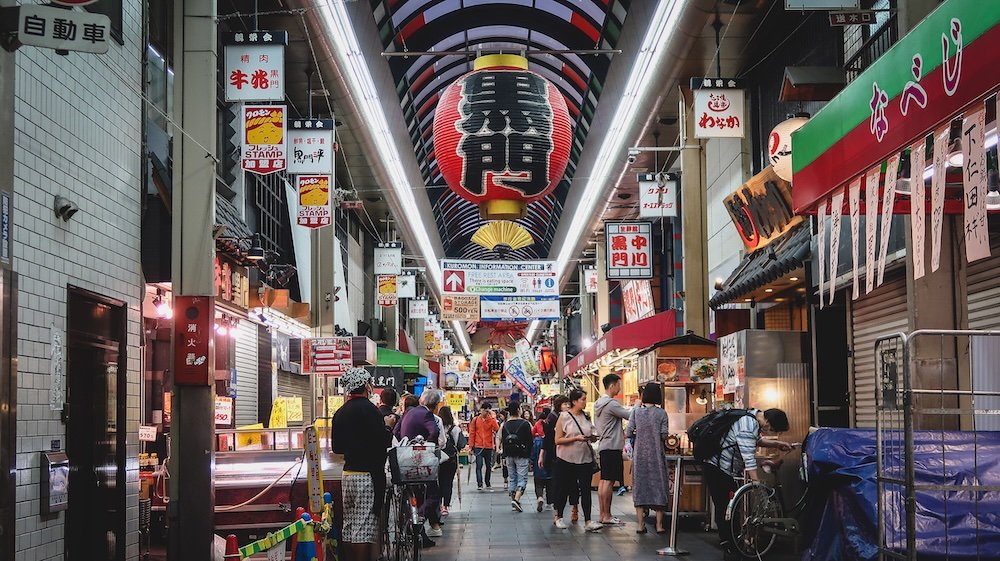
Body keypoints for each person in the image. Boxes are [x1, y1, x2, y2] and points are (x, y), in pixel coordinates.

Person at [703, 408, 792, 559]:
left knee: (726, 505)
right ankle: (730, 545)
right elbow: (748, 458)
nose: (769, 432)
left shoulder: (751, 417)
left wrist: (776, 444)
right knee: (725, 505)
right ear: (768, 422)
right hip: (718, 467)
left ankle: (732, 543)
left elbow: (754, 441)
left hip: (722, 467)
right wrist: (756, 483)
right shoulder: (748, 424)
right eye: (771, 429)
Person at [331, 368, 394, 561]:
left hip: (348, 475)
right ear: (366, 386)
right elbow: (383, 440)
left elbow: (337, 447)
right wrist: (388, 427)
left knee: (349, 525)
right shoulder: (370, 410)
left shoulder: (340, 412)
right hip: (367, 476)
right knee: (364, 527)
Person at [396, 389, 445, 541]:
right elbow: (435, 432)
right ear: (436, 405)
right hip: (418, 462)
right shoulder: (426, 414)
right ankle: (416, 518)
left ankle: (420, 533)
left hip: (403, 462)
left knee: (416, 494)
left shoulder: (408, 412)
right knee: (434, 494)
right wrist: (427, 448)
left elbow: (396, 432)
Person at [553, 389, 603, 532]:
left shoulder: (586, 416)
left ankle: (588, 520)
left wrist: (593, 437)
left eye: (585, 399)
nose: (585, 402)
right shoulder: (564, 417)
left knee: (586, 489)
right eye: (583, 399)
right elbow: (557, 440)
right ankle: (559, 517)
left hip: (584, 458)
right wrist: (575, 438)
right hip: (566, 459)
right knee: (563, 488)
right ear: (574, 401)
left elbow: (591, 432)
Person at [627, 383, 670, 534]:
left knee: (640, 487)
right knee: (659, 486)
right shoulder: (662, 414)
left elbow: (628, 432)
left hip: (640, 456)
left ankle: (640, 525)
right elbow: (664, 435)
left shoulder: (636, 412)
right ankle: (659, 526)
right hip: (657, 455)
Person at [594, 373, 631, 526]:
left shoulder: (598, 403)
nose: (619, 387)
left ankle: (603, 514)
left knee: (603, 481)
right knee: (608, 482)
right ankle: (607, 515)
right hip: (612, 446)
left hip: (604, 446)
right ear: (612, 385)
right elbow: (630, 415)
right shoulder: (611, 404)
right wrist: (638, 406)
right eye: (618, 384)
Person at [541, 395, 578, 521]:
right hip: (556, 456)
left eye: (568, 404)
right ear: (558, 405)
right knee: (559, 485)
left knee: (573, 483)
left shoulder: (573, 416)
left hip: (572, 455)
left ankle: (574, 508)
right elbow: (547, 439)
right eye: (564, 404)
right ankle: (558, 513)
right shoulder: (553, 418)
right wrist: (542, 455)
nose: (567, 406)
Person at [501, 403, 533, 512]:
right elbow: (530, 440)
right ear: (519, 410)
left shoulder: (505, 425)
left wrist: (503, 456)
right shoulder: (525, 424)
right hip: (522, 454)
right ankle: (517, 499)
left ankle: (513, 499)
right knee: (522, 478)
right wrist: (530, 455)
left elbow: (503, 442)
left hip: (509, 454)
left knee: (512, 478)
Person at [438, 405, 465, 518]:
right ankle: (445, 507)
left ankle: (438, 505)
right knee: (448, 482)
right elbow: (461, 444)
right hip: (451, 459)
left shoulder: (436, 427)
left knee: (438, 482)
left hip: (438, 457)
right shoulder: (455, 429)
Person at [469, 403, 500, 490]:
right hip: (478, 446)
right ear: (481, 410)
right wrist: (471, 447)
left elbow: (497, 429)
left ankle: (487, 482)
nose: (486, 412)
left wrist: (493, 418)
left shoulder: (491, 420)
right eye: (485, 410)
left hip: (489, 446)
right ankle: (479, 483)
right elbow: (472, 433)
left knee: (488, 466)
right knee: (479, 465)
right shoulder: (475, 420)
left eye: (488, 411)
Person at [530, 407, 552, 512]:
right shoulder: (551, 442)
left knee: (538, 484)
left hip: (538, 467)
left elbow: (533, 455)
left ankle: (539, 497)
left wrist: (531, 462)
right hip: (549, 468)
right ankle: (549, 502)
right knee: (549, 484)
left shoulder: (537, 441)